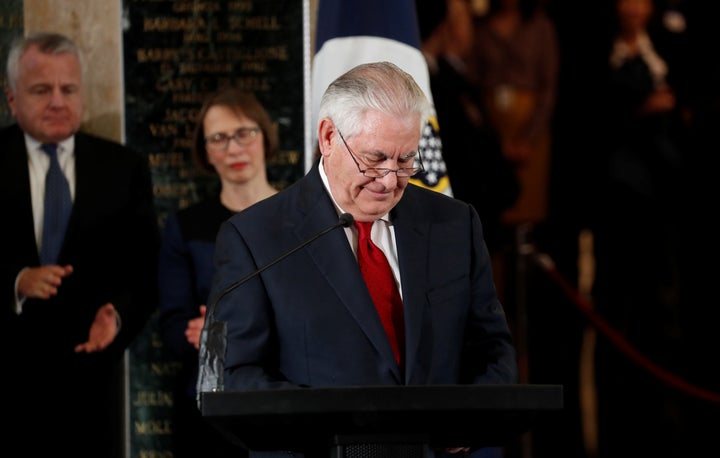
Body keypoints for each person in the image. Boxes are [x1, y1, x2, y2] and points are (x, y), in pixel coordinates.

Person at [200, 61, 518, 457]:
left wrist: (465, 425)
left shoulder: (454, 224)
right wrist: (343, 428)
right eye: (375, 158)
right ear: (329, 136)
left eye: (405, 160)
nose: (389, 179)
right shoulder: (256, 237)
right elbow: (237, 377)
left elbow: (492, 349)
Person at [0, 32, 159, 457]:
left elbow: (146, 271)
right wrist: (15, 282)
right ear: (12, 98)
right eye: (40, 90)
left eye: (68, 89)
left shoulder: (123, 167)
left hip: (91, 387)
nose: (57, 101)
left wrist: (119, 315)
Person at [158, 87, 278, 458]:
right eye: (219, 139)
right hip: (206, 407)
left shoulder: (301, 220)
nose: (234, 148)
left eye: (244, 133)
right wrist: (191, 332)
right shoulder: (185, 226)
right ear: (206, 152)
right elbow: (173, 326)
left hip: (284, 400)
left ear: (264, 136)